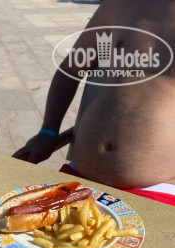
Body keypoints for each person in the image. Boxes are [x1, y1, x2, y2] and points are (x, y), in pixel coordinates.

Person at [13, 0, 175, 206]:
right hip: (79, 176)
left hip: (156, 188)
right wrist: (48, 132)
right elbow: (70, 70)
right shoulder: (119, 4)